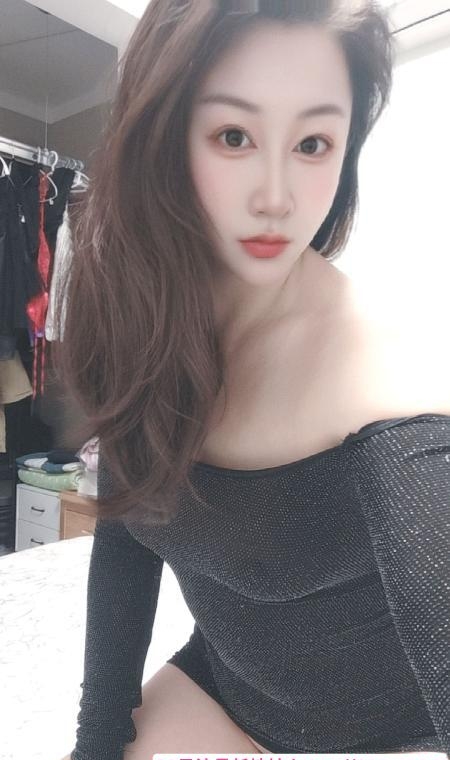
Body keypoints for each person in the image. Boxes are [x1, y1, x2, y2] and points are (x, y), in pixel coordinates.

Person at [54, 1, 450, 759]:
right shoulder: (144, 319)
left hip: (385, 739)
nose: (276, 196)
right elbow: (131, 526)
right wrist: (96, 741)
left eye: (313, 143)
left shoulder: (390, 393)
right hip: (226, 692)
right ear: (163, 138)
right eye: (234, 136)